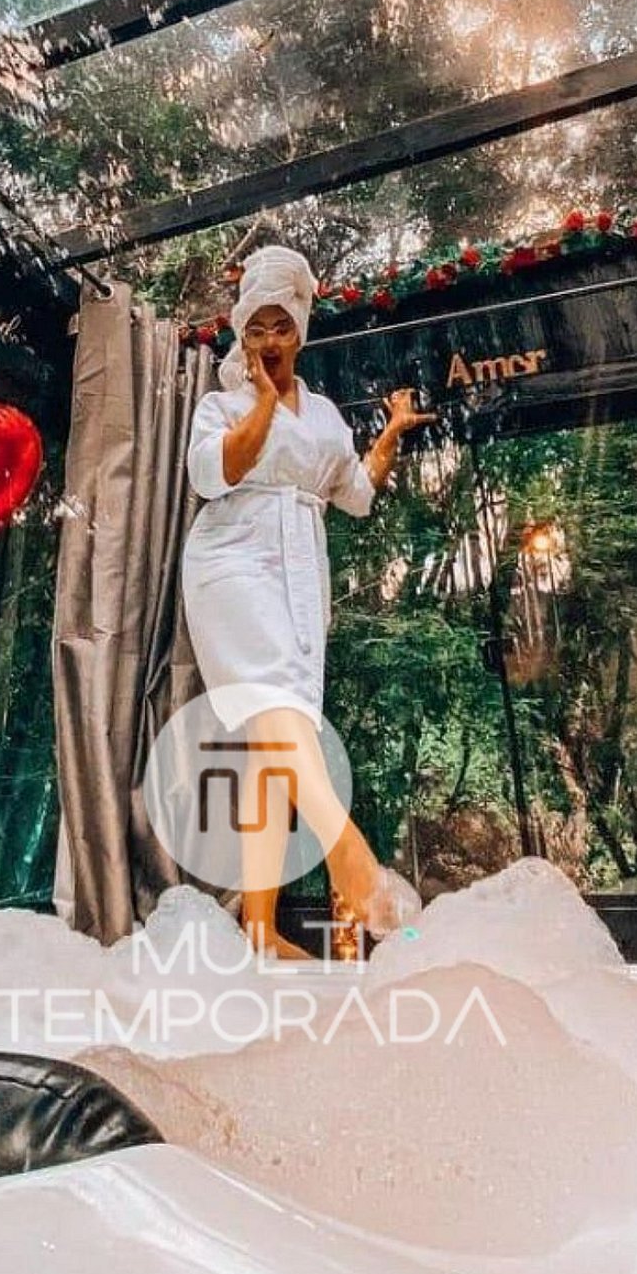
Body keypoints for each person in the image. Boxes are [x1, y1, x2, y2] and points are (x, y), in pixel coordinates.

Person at [181, 245, 434, 960]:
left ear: (299, 333)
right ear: (242, 336)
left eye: (281, 327)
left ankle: (259, 930)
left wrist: (390, 434)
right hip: (231, 560)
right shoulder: (222, 404)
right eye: (255, 328)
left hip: (298, 573)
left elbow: (354, 491)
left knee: (273, 749)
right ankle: (349, 854)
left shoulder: (322, 413)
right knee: (274, 708)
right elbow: (214, 472)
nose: (268, 340)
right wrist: (263, 402)